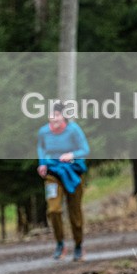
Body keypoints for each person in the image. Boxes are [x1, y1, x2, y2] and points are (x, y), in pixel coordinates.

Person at [37, 102, 90, 262]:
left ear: (63, 117)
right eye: (52, 115)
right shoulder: (44, 132)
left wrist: (71, 155)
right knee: (53, 209)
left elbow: (85, 150)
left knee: (75, 213)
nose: (54, 118)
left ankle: (79, 245)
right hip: (53, 173)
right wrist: (42, 163)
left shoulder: (73, 130)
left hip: (73, 173)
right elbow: (41, 148)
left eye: (58, 115)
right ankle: (60, 243)